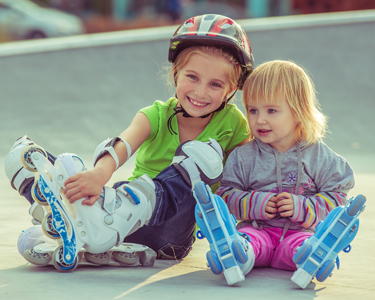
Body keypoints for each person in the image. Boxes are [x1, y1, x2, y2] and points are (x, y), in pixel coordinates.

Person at [4, 14, 254, 266]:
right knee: (29, 164)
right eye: (192, 77)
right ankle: (75, 223)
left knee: (203, 156)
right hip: (126, 220)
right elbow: (122, 145)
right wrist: (98, 175)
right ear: (176, 73)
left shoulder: (234, 123)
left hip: (172, 233)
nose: (201, 92)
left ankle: (94, 220)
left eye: (215, 84)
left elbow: (248, 173)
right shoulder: (154, 114)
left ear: (231, 89)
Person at [214, 60, 357, 284]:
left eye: (271, 110)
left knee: (302, 246)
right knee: (248, 241)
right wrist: (257, 203)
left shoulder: (318, 156)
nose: (260, 119)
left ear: (298, 112)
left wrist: (302, 207)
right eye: (253, 110)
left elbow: (337, 197)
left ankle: (312, 257)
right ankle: (237, 256)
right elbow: (225, 195)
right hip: (258, 231)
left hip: (299, 234)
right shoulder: (243, 157)